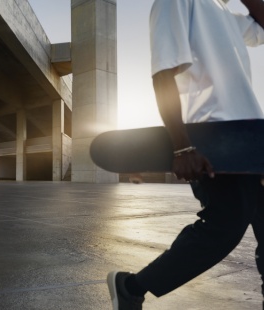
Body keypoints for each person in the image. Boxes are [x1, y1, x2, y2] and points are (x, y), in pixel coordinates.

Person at [107, 0, 264, 309]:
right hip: (214, 139)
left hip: (253, 140)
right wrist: (182, 146)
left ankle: (131, 287)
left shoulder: (224, 14)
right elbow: (163, 72)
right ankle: (131, 286)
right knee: (224, 227)